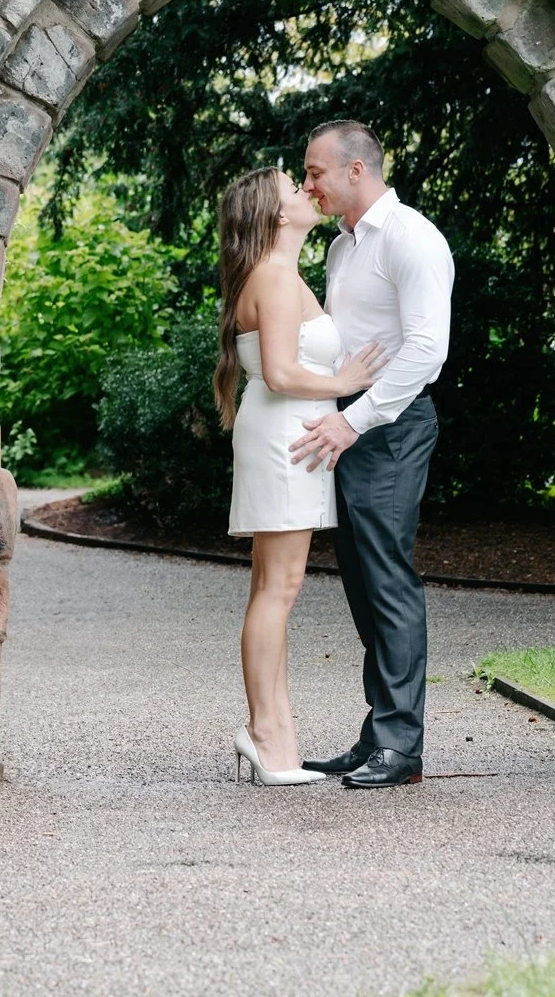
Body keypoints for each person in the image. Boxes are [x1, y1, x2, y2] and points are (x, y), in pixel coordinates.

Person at [292, 120, 455, 789]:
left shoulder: (412, 238)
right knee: (361, 581)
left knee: (388, 577)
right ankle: (378, 733)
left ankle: (401, 746)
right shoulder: (340, 249)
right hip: (351, 428)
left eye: (316, 173)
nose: (309, 185)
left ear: (357, 170)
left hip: (389, 428)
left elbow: (425, 350)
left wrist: (353, 422)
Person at [217, 166, 387, 787]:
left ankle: (276, 733)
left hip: (286, 436)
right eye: (295, 187)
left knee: (274, 586)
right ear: (276, 213)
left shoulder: (276, 276)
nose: (307, 192)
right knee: (277, 589)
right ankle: (266, 734)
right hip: (286, 439)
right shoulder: (276, 279)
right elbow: (282, 372)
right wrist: (345, 385)